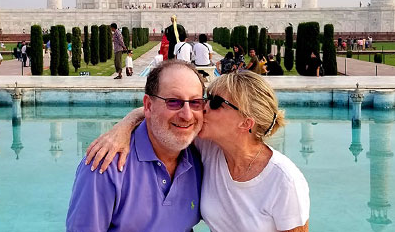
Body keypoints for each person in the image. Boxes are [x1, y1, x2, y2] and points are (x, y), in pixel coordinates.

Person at [84, 69, 310, 232]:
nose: (202, 108)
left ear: (245, 123)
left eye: (215, 102)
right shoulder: (210, 150)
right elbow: (164, 111)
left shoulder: (284, 181)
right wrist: (123, 126)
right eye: (206, 98)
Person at [66, 60, 206, 231]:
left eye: (195, 102)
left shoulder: (202, 155)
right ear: (148, 105)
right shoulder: (105, 166)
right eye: (173, 102)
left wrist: (129, 120)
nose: (187, 115)